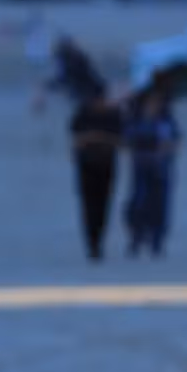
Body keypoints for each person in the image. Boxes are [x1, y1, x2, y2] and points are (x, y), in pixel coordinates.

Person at [123, 82, 182, 258]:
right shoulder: (136, 121)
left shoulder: (165, 121)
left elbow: (176, 141)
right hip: (141, 167)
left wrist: (164, 149)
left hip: (161, 168)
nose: (153, 105)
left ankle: (157, 241)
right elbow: (126, 140)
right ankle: (137, 237)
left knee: (160, 206)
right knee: (138, 204)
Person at [70, 95, 124, 262]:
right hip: (86, 167)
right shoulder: (83, 115)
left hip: (107, 167)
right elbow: (76, 140)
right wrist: (98, 138)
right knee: (88, 207)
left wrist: (95, 137)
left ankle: (98, 243)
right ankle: (92, 244)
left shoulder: (113, 116)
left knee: (103, 207)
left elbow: (122, 141)